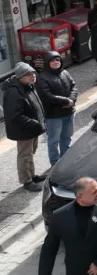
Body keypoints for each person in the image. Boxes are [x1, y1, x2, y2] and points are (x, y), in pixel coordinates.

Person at [3, 61, 46, 191]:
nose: (33, 76)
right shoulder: (14, 92)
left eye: (33, 72)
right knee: (25, 156)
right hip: (24, 130)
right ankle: (26, 181)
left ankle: (32, 175)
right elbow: (15, 116)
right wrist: (34, 123)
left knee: (30, 154)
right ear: (20, 77)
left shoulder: (28, 86)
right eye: (28, 74)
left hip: (32, 129)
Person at [36, 51, 78, 166]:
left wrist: (72, 100)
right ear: (47, 63)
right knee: (54, 140)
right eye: (53, 60)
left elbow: (74, 86)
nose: (56, 62)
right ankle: (54, 162)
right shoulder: (42, 78)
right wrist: (67, 101)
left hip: (69, 111)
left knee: (67, 137)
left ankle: (65, 157)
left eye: (58, 60)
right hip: (54, 115)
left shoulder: (65, 72)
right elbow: (46, 96)